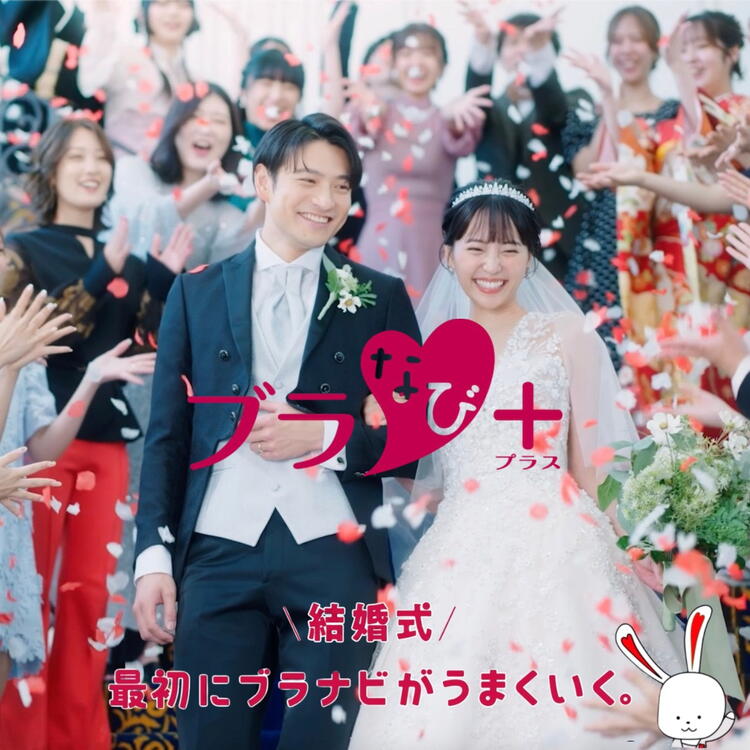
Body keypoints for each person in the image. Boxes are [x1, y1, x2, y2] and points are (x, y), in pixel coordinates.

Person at [348, 180, 685, 749]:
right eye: (476, 248)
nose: (492, 265)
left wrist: (634, 545)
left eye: (509, 249)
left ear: (531, 257)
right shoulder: (425, 349)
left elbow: (591, 465)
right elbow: (423, 472)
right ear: (448, 253)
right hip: (461, 543)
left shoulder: (569, 336)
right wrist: (382, 420)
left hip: (562, 541)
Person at [132, 113, 421, 750]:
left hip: (334, 551)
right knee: (210, 734)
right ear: (263, 182)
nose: (326, 200)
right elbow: (167, 438)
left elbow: (413, 441)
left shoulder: (381, 298)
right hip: (216, 547)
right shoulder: (195, 294)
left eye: (341, 186)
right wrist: (152, 558)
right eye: (308, 180)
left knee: (322, 737)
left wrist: (325, 437)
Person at [0, 117, 186, 750]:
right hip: (37, 446)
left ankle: (80, 737)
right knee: (30, 596)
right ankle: (23, 737)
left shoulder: (126, 254)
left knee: (90, 602)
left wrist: (158, 281)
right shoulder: (22, 249)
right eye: (76, 157)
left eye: (100, 158)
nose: (91, 168)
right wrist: (97, 275)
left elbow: (146, 347)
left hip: (107, 447)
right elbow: (40, 339)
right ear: (50, 169)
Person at [562, 6, 679, 369]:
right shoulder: (590, 112)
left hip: (652, 243)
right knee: (595, 357)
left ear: (655, 48)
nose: (626, 49)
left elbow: (656, 175)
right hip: (600, 243)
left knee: (652, 355)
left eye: (636, 40)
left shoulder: (672, 113)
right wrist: (607, 100)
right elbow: (585, 169)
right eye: (618, 41)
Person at [341, 22, 490, 299]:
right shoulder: (375, 112)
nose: (417, 62)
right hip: (378, 244)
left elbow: (468, 133)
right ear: (394, 64)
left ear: (443, 66)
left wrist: (483, 44)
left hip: (431, 250)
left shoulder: (449, 117)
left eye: (427, 53)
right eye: (407, 54)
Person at [459, 4, 589, 281]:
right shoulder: (491, 110)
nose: (522, 50)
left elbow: (554, 112)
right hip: (495, 246)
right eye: (513, 43)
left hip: (562, 247)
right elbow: (476, 99)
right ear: (498, 54)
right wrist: (482, 46)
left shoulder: (572, 102)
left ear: (548, 53)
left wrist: (538, 58)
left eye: (532, 43)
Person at [105, 82, 254, 267]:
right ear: (173, 123)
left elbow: (226, 270)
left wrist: (259, 213)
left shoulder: (226, 215)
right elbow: (146, 223)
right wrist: (207, 186)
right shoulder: (134, 170)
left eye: (219, 121)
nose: (206, 128)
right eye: (194, 116)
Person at [77, 0, 199, 159]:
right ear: (142, 12)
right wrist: (103, 13)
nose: (173, 12)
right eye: (163, 3)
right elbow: (88, 82)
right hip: (126, 165)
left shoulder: (195, 78)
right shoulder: (124, 59)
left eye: (183, 5)